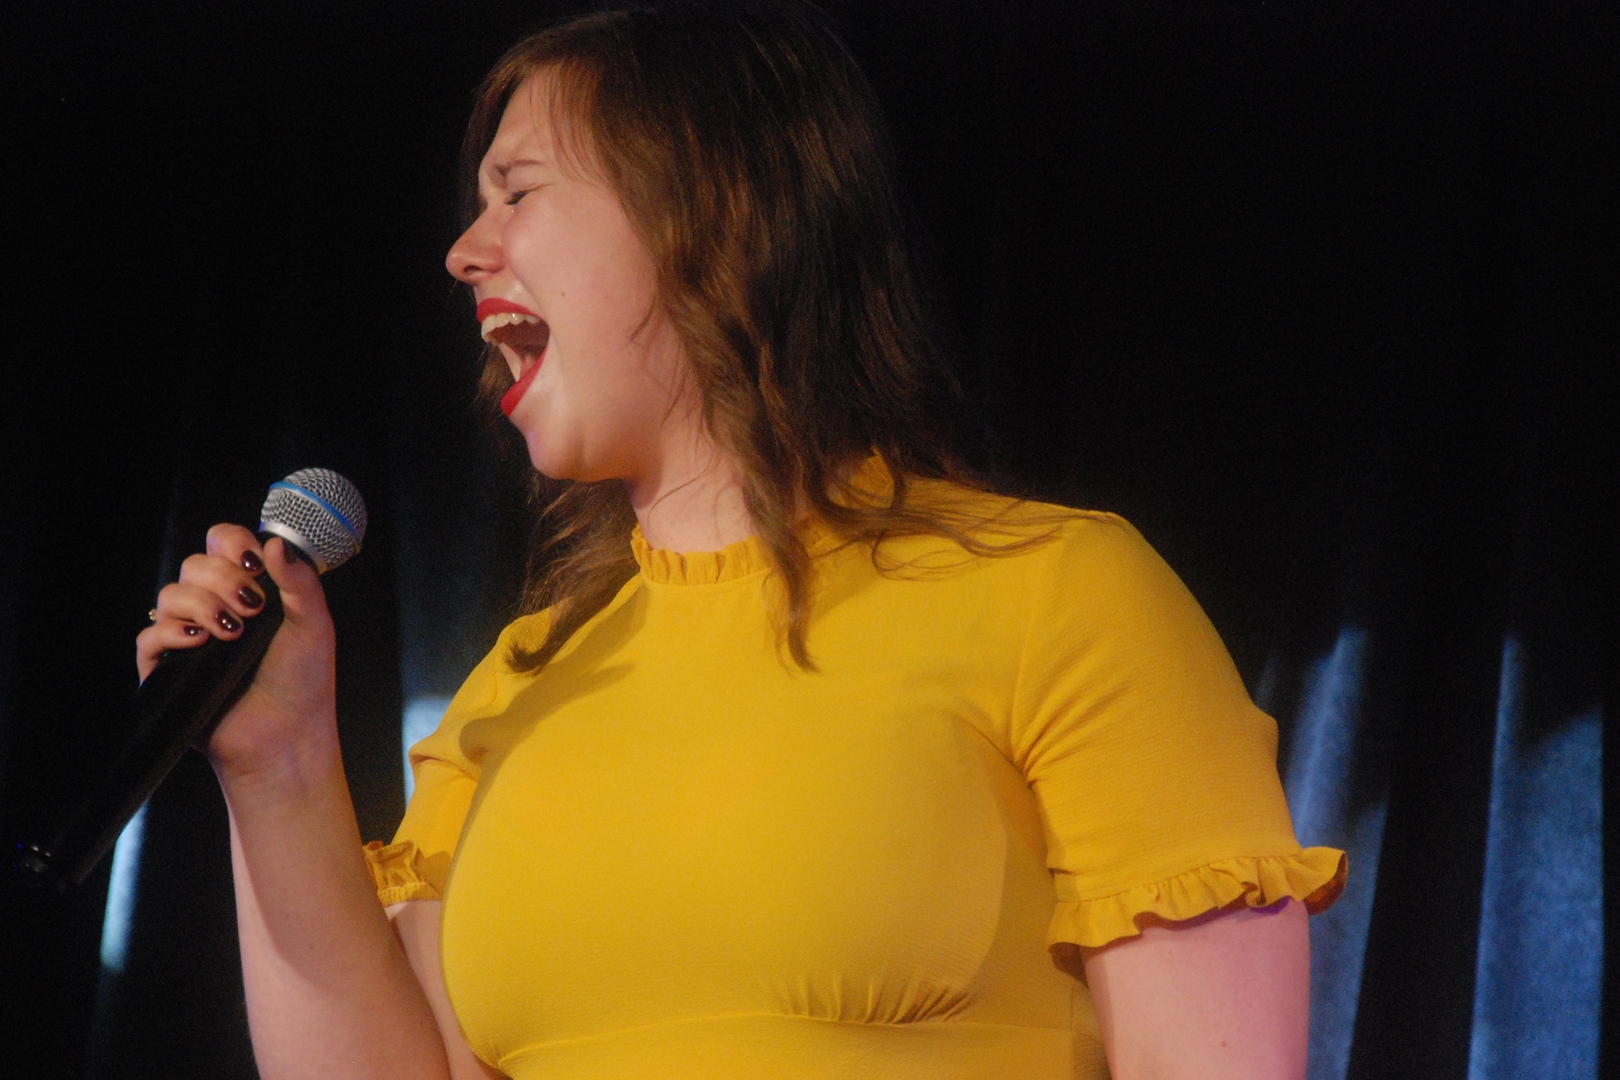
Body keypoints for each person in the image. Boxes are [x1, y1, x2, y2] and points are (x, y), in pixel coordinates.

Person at [137, 3, 1345, 1078]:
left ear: (710, 208)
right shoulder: (520, 689)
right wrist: (280, 773)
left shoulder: (1061, 594)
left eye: (518, 192)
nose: (464, 251)